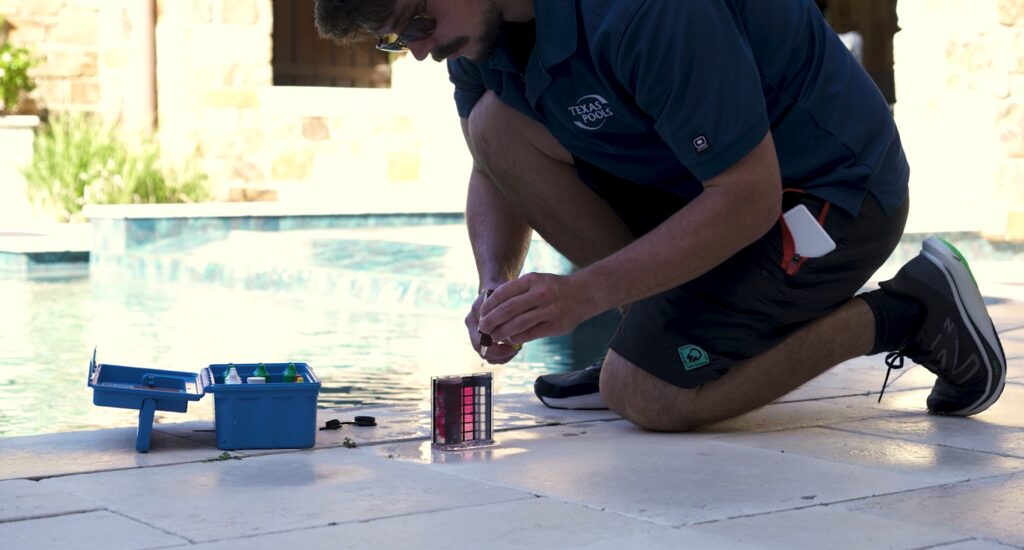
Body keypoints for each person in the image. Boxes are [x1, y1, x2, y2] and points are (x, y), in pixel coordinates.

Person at [314, 0, 1006, 431]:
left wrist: (584, 294)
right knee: (494, 125)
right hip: (702, 186)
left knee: (649, 397)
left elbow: (747, 196)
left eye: (417, 22)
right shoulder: (480, 36)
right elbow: (493, 159)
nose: (419, 47)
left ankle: (912, 311)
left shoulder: (645, 10)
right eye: (395, 38)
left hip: (827, 192)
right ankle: (650, 330)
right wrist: (497, 282)